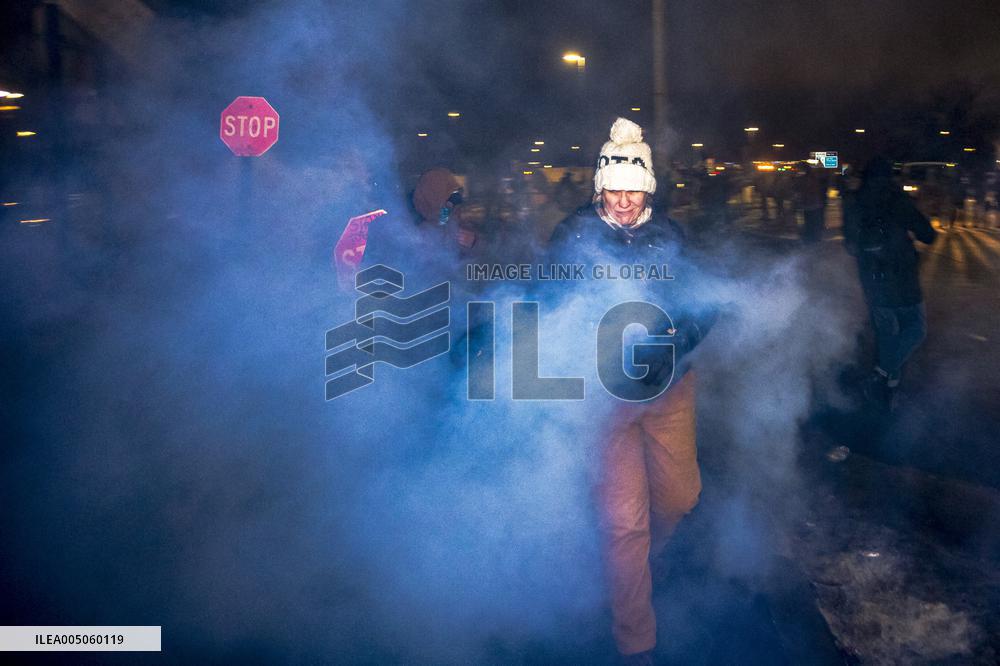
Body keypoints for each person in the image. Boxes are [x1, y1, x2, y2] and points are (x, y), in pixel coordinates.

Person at [547, 118, 714, 663]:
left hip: (668, 390)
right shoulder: (573, 235)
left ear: (649, 190)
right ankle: (635, 640)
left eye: (634, 190)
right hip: (605, 398)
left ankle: (640, 561)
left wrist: (678, 340)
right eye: (614, 190)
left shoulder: (670, 234)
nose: (623, 202)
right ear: (599, 187)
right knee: (625, 522)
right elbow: (545, 307)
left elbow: (702, 304)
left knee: (680, 498)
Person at [843, 157, 937, 409]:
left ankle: (884, 392)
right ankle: (882, 377)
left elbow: (850, 246)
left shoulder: (854, 201)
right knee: (915, 329)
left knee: (887, 336)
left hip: (873, 281)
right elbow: (928, 235)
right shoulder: (898, 200)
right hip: (903, 280)